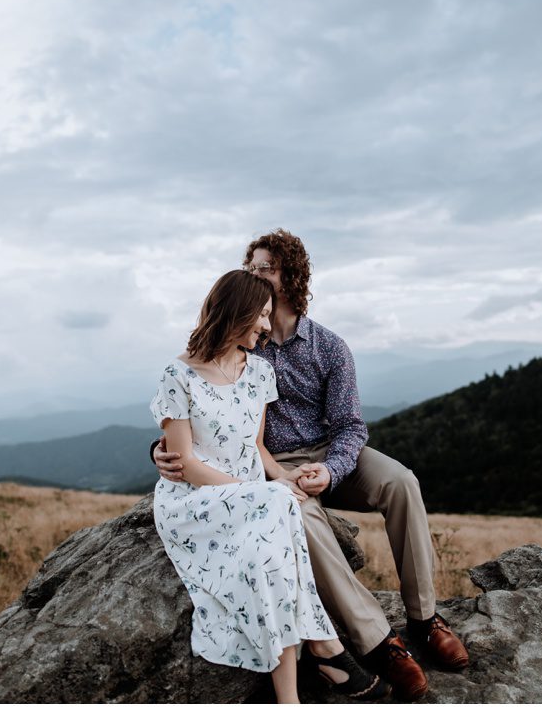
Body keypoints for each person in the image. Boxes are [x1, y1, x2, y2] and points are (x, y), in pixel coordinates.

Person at [152, 229, 470, 701]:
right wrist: (161, 451)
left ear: (292, 277)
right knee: (297, 513)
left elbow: (351, 426)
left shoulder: (327, 347)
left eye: (265, 268)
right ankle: (379, 641)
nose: (254, 274)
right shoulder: (244, 338)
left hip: (330, 453)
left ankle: (424, 618)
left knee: (402, 482)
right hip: (273, 463)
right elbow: (205, 410)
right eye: (251, 267)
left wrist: (333, 469)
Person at [149, 269, 389, 704]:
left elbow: (256, 446)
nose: (265, 324)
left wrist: (283, 477)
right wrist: (258, 491)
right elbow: (186, 464)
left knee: (268, 558)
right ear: (235, 312)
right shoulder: (177, 374)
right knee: (278, 510)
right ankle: (325, 649)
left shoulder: (259, 372)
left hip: (254, 498)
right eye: (259, 315)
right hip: (196, 501)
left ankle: (294, 691)